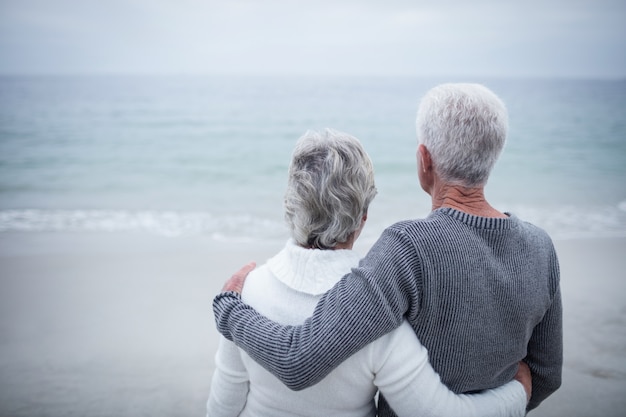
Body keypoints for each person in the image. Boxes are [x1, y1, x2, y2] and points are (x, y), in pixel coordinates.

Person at [213, 84, 562, 415]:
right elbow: (545, 375)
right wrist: (515, 396)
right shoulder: (540, 247)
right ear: (493, 156)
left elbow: (300, 360)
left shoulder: (408, 248)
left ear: (424, 159)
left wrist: (229, 309)